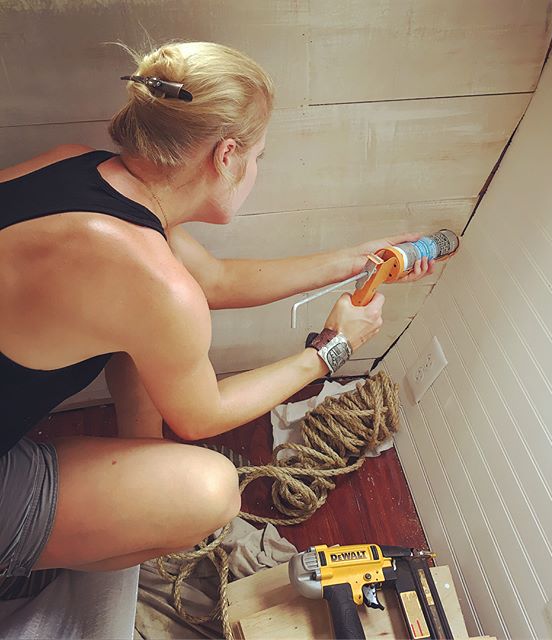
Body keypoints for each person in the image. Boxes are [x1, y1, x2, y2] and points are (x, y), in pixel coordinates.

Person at [0, 41, 432, 581]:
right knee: (213, 492)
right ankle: (38, 561)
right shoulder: (149, 280)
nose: (255, 170)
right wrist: (333, 348)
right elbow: (202, 415)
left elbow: (218, 280)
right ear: (226, 156)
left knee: (141, 349)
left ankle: (117, 503)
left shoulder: (75, 167)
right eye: (258, 157)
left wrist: (359, 260)